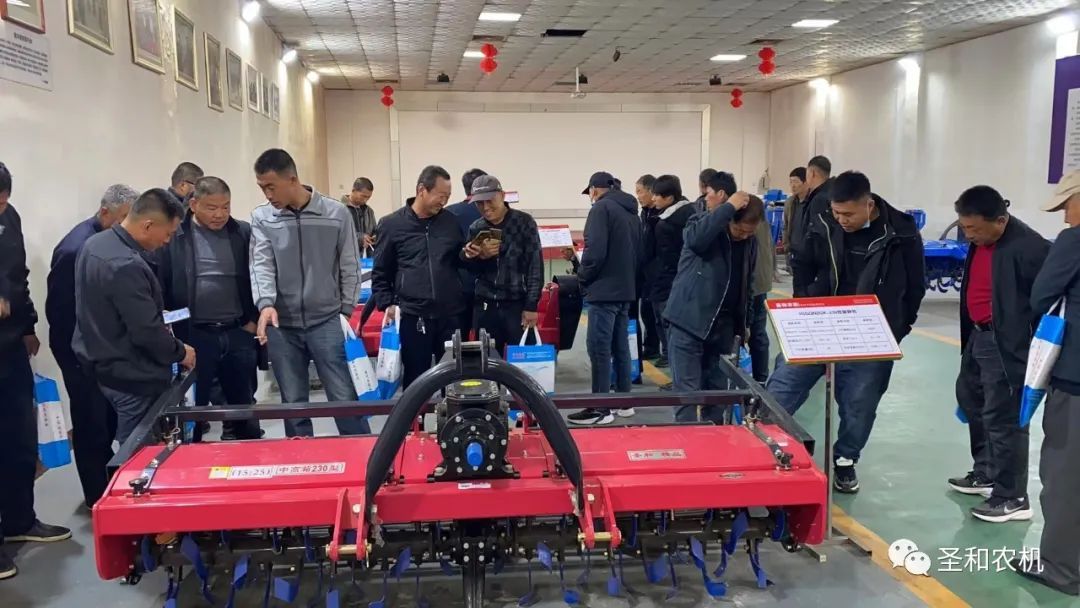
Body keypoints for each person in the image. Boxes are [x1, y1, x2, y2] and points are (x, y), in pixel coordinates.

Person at [767, 171, 925, 493]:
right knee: (781, 388)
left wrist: (898, 328)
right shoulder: (824, 222)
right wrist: (804, 304)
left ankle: (845, 460)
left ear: (869, 205)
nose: (842, 220)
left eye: (849, 214)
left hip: (870, 332)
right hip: (818, 322)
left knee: (859, 404)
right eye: (837, 212)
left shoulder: (902, 232)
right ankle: (766, 445)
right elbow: (803, 262)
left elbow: (915, 285)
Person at [250, 148, 368, 437]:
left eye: (271, 186)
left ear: (292, 179)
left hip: (326, 320)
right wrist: (266, 303)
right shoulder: (263, 218)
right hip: (281, 325)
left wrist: (345, 310)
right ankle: (300, 454)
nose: (267, 194)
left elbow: (350, 265)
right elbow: (261, 264)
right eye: (262, 187)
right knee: (293, 403)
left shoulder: (335, 214)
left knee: (343, 397)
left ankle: (360, 450)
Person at [948, 186, 1049, 523]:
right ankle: (987, 472)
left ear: (1001, 221)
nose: (968, 235)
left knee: (1004, 418)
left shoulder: (1030, 248)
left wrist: (1026, 341)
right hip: (978, 335)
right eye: (964, 227)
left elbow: (1049, 300)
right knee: (972, 401)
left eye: (974, 229)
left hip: (1007, 343)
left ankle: (1012, 496)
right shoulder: (982, 241)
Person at [73, 189, 196, 446]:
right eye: (168, 233)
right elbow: (147, 332)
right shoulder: (126, 265)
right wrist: (180, 352)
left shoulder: (95, 244)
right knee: (139, 453)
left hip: (104, 366)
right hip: (134, 377)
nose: (167, 241)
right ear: (148, 225)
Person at [0, 162, 72, 581]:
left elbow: (18, 276)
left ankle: (19, 520)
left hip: (9, 348)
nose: (1, 208)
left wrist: (27, 326)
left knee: (19, 439)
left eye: (4, 200)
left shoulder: (9, 217)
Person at [46, 184, 137, 509]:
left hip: (104, 353)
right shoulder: (76, 249)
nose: (128, 226)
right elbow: (60, 313)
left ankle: (109, 485)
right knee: (91, 425)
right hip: (80, 355)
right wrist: (79, 358)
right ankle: (96, 497)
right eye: (124, 218)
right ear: (105, 212)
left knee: (107, 421)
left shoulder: (110, 241)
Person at [1011, 169, 1080, 594]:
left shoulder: (1074, 240)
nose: (1065, 216)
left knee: (1066, 477)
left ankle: (1062, 570)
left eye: (1067, 205)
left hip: (1075, 380)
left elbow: (1042, 296)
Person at [158, 177, 263, 441]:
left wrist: (252, 320)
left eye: (226, 207)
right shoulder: (176, 236)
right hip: (195, 335)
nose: (220, 214)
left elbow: (258, 276)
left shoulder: (242, 232)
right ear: (194, 205)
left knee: (244, 406)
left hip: (237, 331)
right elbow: (162, 283)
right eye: (212, 207)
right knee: (194, 409)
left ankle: (246, 450)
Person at [664, 174, 759, 422]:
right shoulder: (700, 224)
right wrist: (728, 207)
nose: (743, 236)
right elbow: (695, 240)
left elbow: (747, 284)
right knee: (686, 396)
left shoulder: (750, 242)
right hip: (689, 322)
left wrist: (745, 323)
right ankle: (687, 444)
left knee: (717, 395)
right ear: (728, 220)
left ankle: (714, 440)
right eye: (739, 230)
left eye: (749, 232)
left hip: (722, 329)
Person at [372, 165, 467, 388]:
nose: (444, 202)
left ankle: (451, 412)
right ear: (421, 190)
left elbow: (460, 262)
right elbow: (380, 271)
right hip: (413, 316)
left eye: (448, 197)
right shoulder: (391, 224)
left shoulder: (451, 222)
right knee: (416, 381)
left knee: (454, 380)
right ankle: (417, 412)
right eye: (440, 196)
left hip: (450, 314)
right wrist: (387, 303)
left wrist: (469, 255)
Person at [567, 172, 640, 426]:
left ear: (594, 190)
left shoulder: (601, 209)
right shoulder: (631, 212)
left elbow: (595, 251)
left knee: (599, 348)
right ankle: (624, 402)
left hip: (604, 292)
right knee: (620, 347)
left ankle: (600, 408)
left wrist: (582, 275)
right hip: (625, 290)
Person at [460, 175, 543, 353]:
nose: (485, 207)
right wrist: (475, 257)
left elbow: (535, 267)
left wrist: (531, 305)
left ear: (503, 196)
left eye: (490, 200)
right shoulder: (476, 227)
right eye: (479, 203)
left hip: (517, 304)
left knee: (520, 361)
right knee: (487, 360)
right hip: (485, 306)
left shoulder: (524, 222)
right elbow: (472, 271)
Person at [649, 174, 695, 372]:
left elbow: (665, 259)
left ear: (669, 198)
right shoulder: (692, 212)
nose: (653, 199)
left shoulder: (666, 224)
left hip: (667, 283)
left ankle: (673, 365)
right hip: (687, 282)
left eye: (656, 195)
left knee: (667, 325)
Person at [446, 168, 488, 336]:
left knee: (458, 337)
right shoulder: (493, 213)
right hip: (488, 286)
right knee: (486, 338)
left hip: (456, 286)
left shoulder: (448, 213)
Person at [790, 157, 833, 295]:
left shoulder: (820, 199)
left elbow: (816, 237)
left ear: (812, 173)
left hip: (812, 269)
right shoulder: (828, 194)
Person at [635, 174, 661, 361]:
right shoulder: (644, 213)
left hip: (658, 274)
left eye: (640, 191)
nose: (638, 196)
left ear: (651, 191)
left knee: (659, 315)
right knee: (646, 312)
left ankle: (666, 352)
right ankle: (651, 347)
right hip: (645, 273)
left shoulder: (661, 214)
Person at [749, 209, 776, 383]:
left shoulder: (742, 210)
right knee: (758, 333)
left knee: (756, 332)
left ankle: (760, 379)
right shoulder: (755, 208)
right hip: (759, 281)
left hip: (753, 283)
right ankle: (760, 378)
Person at [782, 167, 809, 267]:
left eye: (796, 182)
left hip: (807, 251)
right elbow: (785, 226)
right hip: (793, 250)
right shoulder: (789, 203)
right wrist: (786, 246)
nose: (792, 185)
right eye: (791, 182)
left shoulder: (812, 202)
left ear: (806, 182)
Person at [345, 177, 377, 255]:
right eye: (363, 196)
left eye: (368, 197)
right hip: (346, 258)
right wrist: (359, 239)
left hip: (366, 258)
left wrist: (376, 237)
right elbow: (338, 235)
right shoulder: (339, 209)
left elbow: (374, 230)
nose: (365, 200)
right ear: (353, 190)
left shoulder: (369, 211)